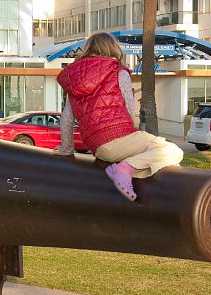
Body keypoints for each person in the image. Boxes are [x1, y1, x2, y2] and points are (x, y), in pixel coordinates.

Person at [56, 32, 183, 202]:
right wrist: (130, 134)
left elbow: (66, 119)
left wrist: (66, 150)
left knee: (156, 153)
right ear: (113, 48)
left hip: (97, 147)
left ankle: (122, 169)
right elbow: (129, 108)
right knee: (172, 151)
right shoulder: (118, 71)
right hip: (119, 137)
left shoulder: (74, 79)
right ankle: (125, 169)